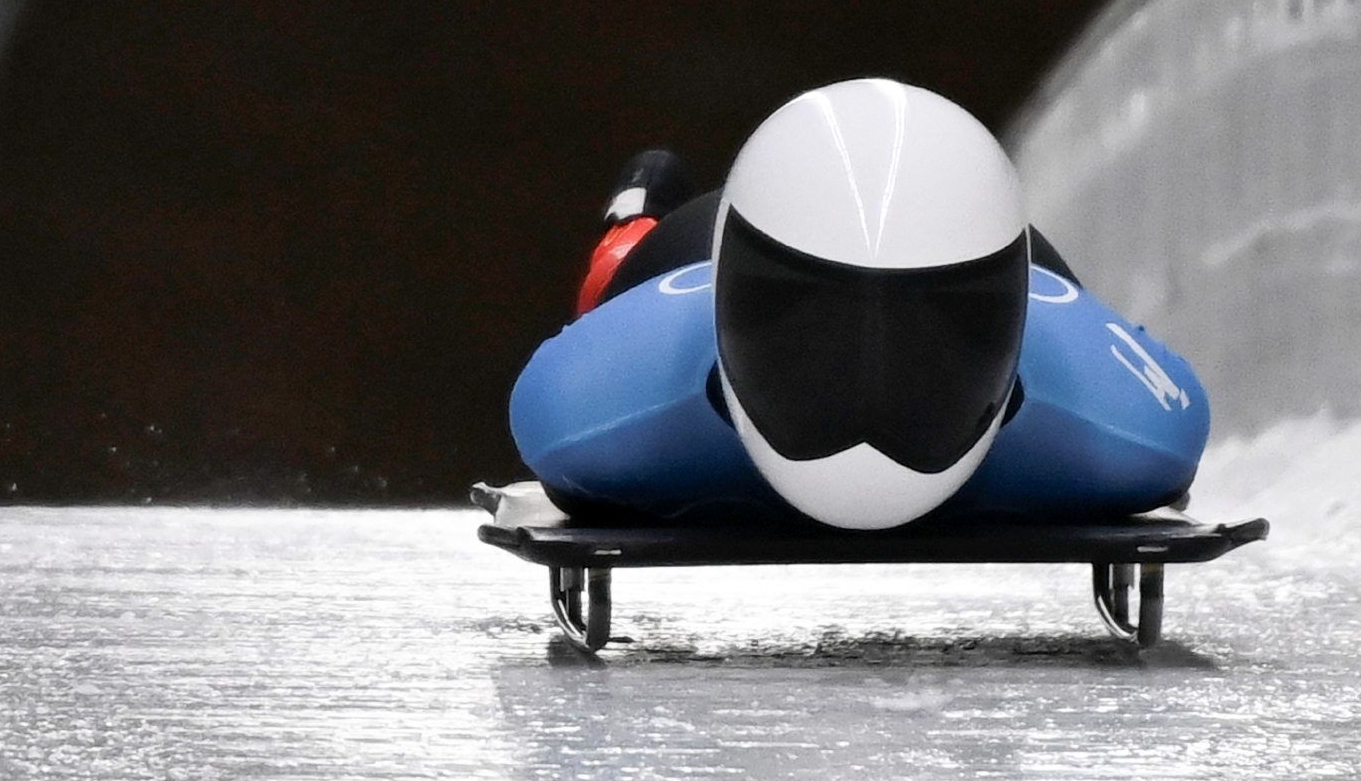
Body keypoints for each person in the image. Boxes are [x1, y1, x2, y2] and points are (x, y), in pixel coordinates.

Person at [509, 78, 1209, 530]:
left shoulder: (587, 423)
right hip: (686, 261)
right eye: (803, 320)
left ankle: (647, 219)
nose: (870, 378)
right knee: (617, 273)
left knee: (615, 289)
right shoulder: (1129, 437)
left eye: (938, 329)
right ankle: (637, 217)